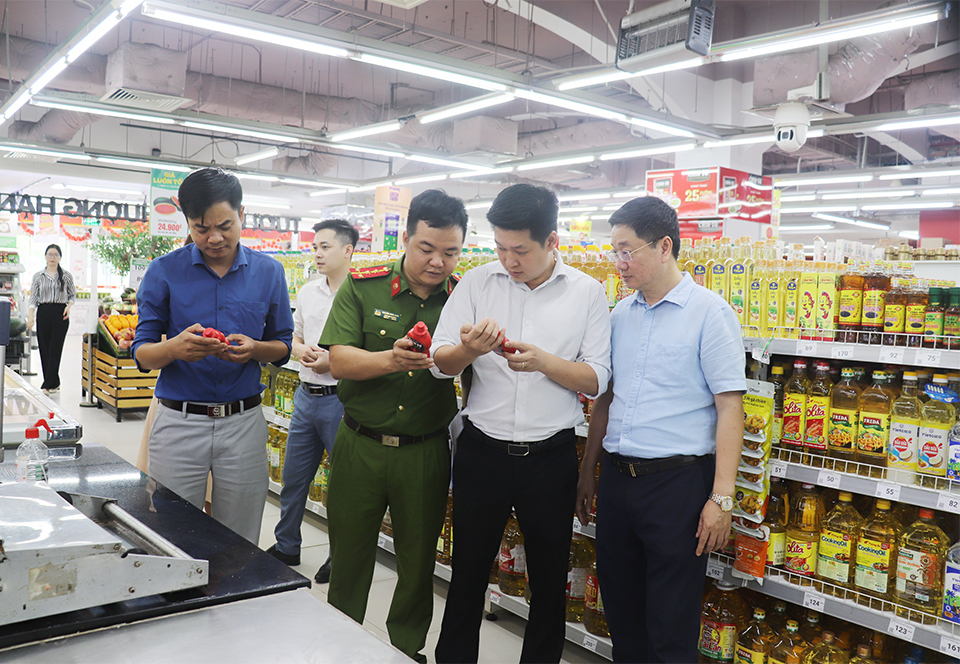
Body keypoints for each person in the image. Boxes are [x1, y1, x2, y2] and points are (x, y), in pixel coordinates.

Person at [432, 183, 611, 664]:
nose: (508, 260)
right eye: (500, 248)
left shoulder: (587, 293)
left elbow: (597, 379)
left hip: (550, 459)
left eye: (521, 250)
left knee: (550, 581)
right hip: (482, 453)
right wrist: (471, 349)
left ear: (552, 242)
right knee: (467, 572)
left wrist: (545, 363)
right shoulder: (476, 283)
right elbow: (439, 362)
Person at [575, 196, 745, 663]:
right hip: (617, 483)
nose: (619, 263)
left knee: (671, 624)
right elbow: (605, 400)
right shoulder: (618, 316)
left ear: (665, 246)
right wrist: (589, 470)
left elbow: (730, 407)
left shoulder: (710, 313)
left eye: (627, 251)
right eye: (614, 251)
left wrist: (722, 498)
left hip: (677, 486)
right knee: (622, 614)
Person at [319, 189, 466, 663]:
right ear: (406, 239)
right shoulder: (363, 286)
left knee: (419, 559)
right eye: (426, 248)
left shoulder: (464, 296)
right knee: (349, 553)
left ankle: (407, 649)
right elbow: (338, 360)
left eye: (450, 252)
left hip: (424, 450)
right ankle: (342, 645)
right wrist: (391, 358)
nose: (438, 262)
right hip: (358, 443)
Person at [133, 167, 294, 545]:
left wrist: (256, 349)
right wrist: (174, 348)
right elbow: (142, 353)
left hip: (243, 424)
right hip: (178, 423)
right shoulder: (164, 271)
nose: (215, 237)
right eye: (201, 228)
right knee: (173, 533)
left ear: (243, 214)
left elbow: (283, 346)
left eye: (225, 225)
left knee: (239, 537)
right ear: (187, 220)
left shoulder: (268, 273)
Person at [266, 218, 357, 583]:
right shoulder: (307, 292)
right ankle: (287, 544)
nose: (317, 253)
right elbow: (296, 336)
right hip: (306, 395)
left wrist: (332, 361)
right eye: (315, 247)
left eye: (325, 247)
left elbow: (366, 350)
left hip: (343, 400)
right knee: (294, 477)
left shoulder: (361, 294)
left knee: (342, 486)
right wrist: (302, 351)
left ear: (348, 250)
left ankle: (340, 556)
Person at [27, 243, 76, 395]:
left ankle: (47, 385)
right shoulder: (38, 276)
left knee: (55, 348)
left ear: (60, 257)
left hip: (60, 313)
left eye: (55, 255)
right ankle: (54, 381)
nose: (52, 257)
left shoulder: (66, 275)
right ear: (45, 256)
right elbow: (33, 298)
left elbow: (72, 294)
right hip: (43, 312)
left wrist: (69, 306)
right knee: (44, 348)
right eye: (50, 254)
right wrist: (31, 316)